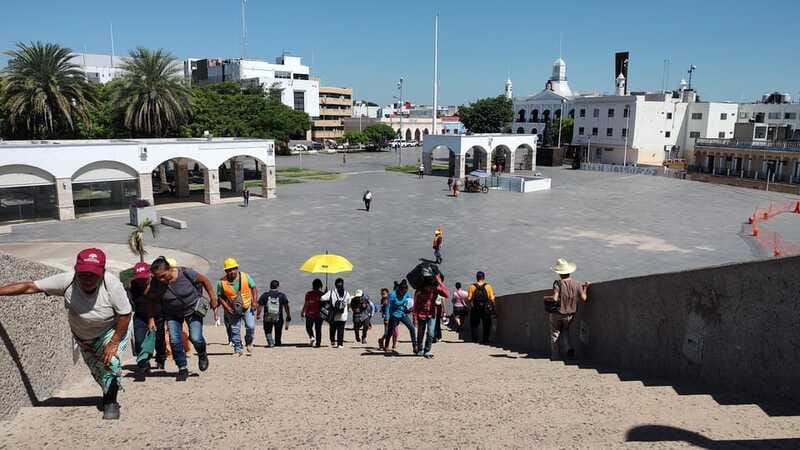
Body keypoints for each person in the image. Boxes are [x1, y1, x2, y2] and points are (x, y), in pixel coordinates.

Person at [0, 248, 132, 420]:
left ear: (102, 272)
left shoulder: (112, 285)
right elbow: (30, 287)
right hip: (83, 336)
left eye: (92, 275)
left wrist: (113, 342)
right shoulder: (67, 281)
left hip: (111, 331)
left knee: (111, 363)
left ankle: (111, 402)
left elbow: (125, 314)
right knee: (97, 370)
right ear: (76, 270)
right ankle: (106, 390)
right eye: (83, 274)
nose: (87, 279)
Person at [148, 256, 218, 382]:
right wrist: (151, 318)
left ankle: (202, 354)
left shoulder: (186, 273)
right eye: (158, 277)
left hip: (193, 310)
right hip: (172, 313)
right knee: (174, 340)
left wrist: (213, 297)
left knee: (196, 338)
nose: (161, 279)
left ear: (170, 269)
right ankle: (182, 367)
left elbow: (205, 280)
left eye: (163, 275)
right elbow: (152, 299)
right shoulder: (157, 281)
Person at [544, 258, 590, 360]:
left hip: (557, 312)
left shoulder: (558, 283)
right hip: (570, 313)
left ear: (559, 273)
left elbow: (555, 298)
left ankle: (555, 355)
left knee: (555, 332)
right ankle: (568, 348)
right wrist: (585, 287)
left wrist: (546, 297)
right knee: (565, 330)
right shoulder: (578, 284)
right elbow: (584, 298)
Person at [127, 262, 166, 382]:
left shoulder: (158, 283)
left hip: (158, 316)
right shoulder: (132, 286)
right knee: (139, 340)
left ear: (149, 275)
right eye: (139, 279)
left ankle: (160, 358)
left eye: (144, 279)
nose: (141, 282)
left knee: (159, 339)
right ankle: (143, 363)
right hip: (140, 316)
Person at [215, 258, 257, 357]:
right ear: (226, 271)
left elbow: (254, 288)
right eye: (229, 270)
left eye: (233, 269)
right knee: (234, 329)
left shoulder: (246, 277)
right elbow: (220, 297)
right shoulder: (221, 282)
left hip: (247, 306)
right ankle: (238, 349)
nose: (232, 271)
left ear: (237, 268)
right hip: (232, 309)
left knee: (250, 326)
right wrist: (227, 308)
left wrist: (254, 301)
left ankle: (249, 342)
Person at [413, 274, 449, 358]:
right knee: (420, 334)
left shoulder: (435, 290)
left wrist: (440, 282)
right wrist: (414, 318)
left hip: (432, 314)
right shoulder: (419, 291)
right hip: (421, 314)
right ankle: (420, 349)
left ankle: (427, 350)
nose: (430, 288)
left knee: (431, 333)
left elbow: (447, 295)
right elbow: (415, 305)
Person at [381, 279, 417, 354]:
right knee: (390, 331)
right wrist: (386, 318)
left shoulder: (406, 294)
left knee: (412, 328)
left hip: (403, 314)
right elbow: (388, 307)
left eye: (405, 292)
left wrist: (410, 309)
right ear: (399, 290)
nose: (403, 293)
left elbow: (410, 302)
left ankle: (415, 346)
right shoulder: (392, 295)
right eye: (402, 292)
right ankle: (386, 345)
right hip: (394, 314)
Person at [257, 280, 291, 347]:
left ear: (270, 286)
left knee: (268, 330)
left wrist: (258, 314)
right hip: (278, 316)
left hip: (267, 316)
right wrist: (288, 315)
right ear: (278, 286)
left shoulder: (265, 295)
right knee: (278, 330)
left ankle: (270, 342)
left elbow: (260, 306)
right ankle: (277, 342)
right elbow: (286, 306)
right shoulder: (282, 295)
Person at [467, 271, 496, 344]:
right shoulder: (488, 286)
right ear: (484, 277)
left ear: (476, 277)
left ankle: (475, 339)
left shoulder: (472, 286)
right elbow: (492, 298)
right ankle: (485, 340)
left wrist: (470, 306)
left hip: (475, 308)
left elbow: (469, 298)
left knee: (474, 324)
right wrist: (493, 307)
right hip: (485, 307)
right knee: (486, 324)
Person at [321, 278, 350, 348]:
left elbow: (322, 298)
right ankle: (340, 344)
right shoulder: (347, 293)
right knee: (341, 328)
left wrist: (325, 293)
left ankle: (332, 341)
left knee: (332, 327)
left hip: (333, 314)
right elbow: (349, 302)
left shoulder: (331, 292)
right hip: (343, 314)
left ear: (335, 285)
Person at [301, 278, 324, 347]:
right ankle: (318, 343)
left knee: (308, 327)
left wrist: (302, 312)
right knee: (318, 328)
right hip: (319, 314)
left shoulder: (308, 294)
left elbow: (306, 304)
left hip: (309, 313)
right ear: (320, 285)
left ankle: (311, 337)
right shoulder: (322, 294)